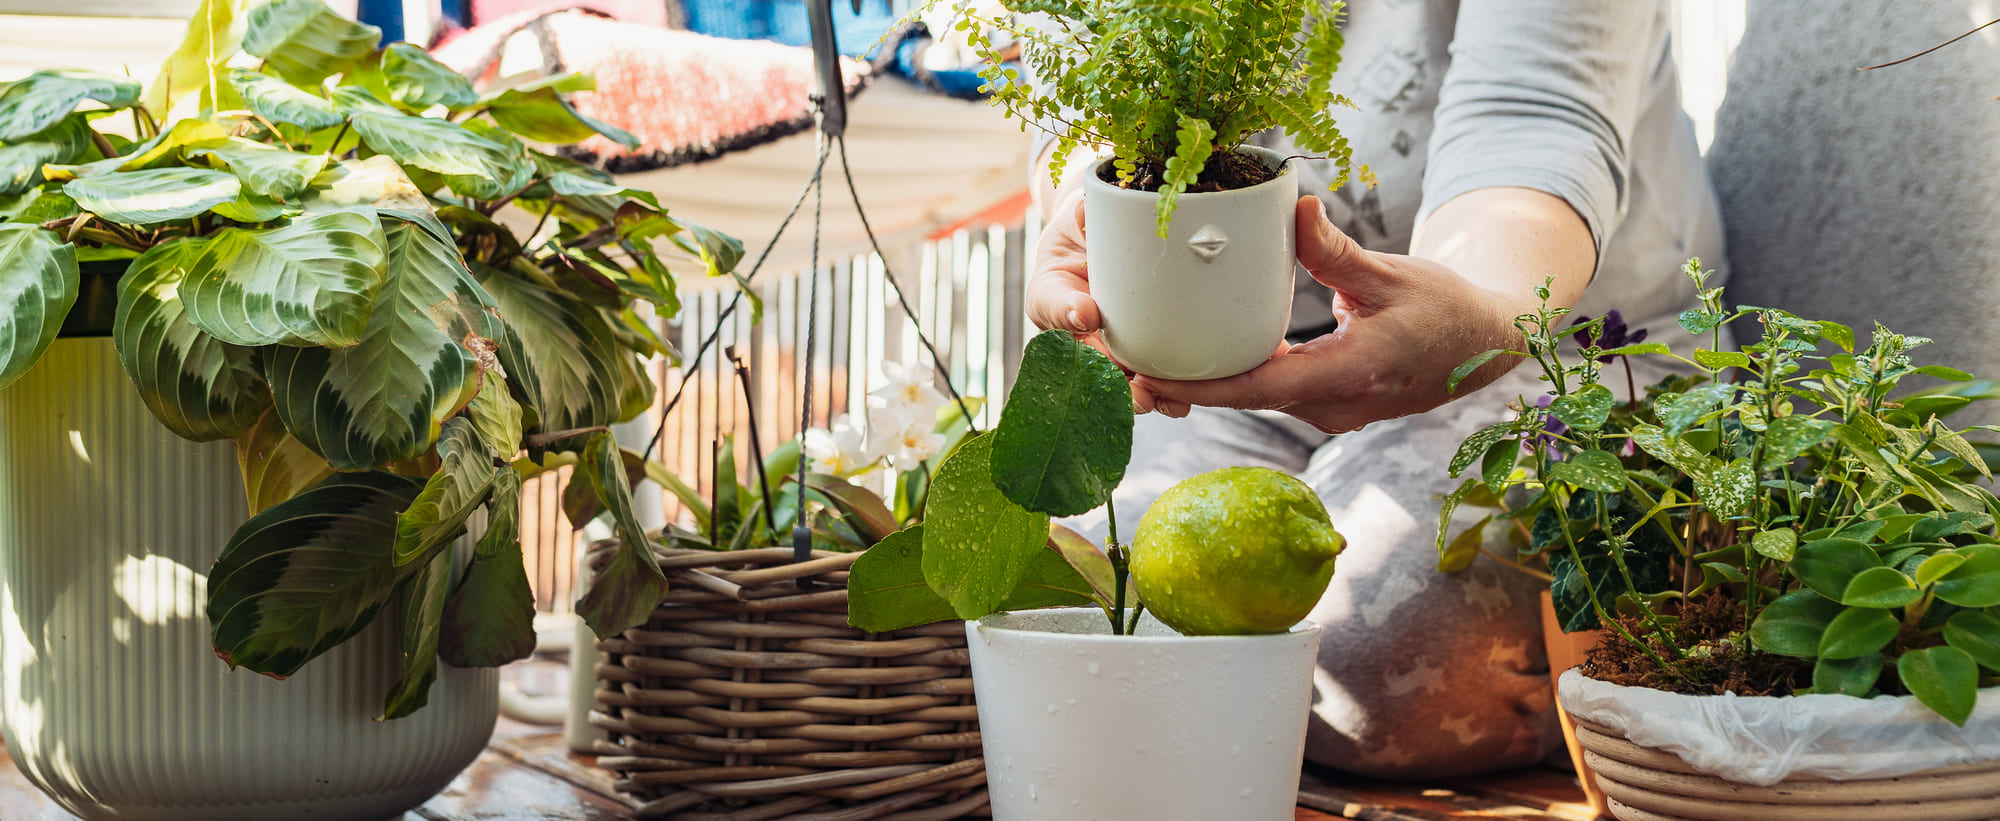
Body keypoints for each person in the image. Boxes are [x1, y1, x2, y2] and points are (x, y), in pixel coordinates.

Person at [1027, 2, 1726, 778]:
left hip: (1570, 351)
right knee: (1064, 602)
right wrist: (1099, 226)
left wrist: (1486, 312)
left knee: (1370, 660)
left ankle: (1613, 701)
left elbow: (1534, 114)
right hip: (1241, 362)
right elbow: (1090, 86)